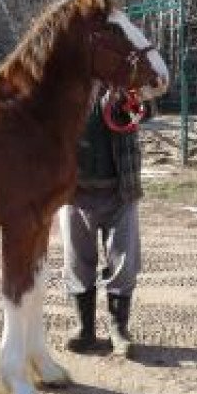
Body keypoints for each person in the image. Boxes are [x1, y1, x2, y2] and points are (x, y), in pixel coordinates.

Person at [58, 88, 143, 357]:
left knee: (123, 263)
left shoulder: (125, 85)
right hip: (74, 192)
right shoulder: (66, 86)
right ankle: (85, 330)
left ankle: (119, 330)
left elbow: (147, 111)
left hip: (119, 190)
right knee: (76, 262)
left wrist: (134, 100)